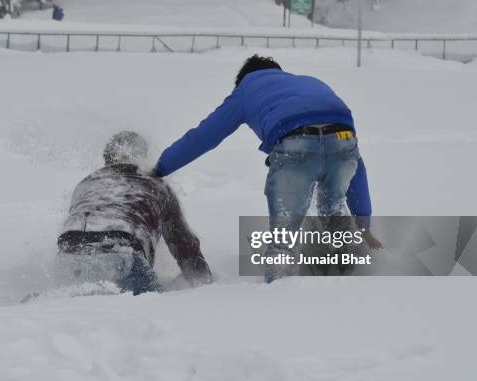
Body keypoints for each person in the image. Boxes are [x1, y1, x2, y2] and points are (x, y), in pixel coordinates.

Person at [152, 55, 382, 280]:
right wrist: (364, 224)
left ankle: (278, 302)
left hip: (295, 142)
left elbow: (203, 137)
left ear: (243, 79)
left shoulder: (246, 90)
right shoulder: (312, 82)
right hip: (343, 139)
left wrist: (159, 169)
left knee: (284, 238)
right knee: (332, 207)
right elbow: (356, 164)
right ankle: (354, 275)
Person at [57, 131, 212, 295]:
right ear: (143, 156)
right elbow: (184, 244)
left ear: (107, 159)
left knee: (74, 308)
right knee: (154, 309)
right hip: (121, 249)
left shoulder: (86, 184)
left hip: (69, 251)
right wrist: (202, 281)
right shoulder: (156, 185)